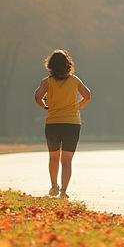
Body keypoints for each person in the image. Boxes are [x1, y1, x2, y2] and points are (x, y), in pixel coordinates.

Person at [34, 49, 91, 198]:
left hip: (53, 123)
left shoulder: (46, 82)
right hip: (72, 124)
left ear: (50, 65)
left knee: (53, 158)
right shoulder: (75, 80)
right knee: (67, 160)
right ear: (68, 65)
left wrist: (45, 106)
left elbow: (37, 97)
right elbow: (87, 95)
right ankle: (64, 191)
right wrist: (78, 106)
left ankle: (54, 187)